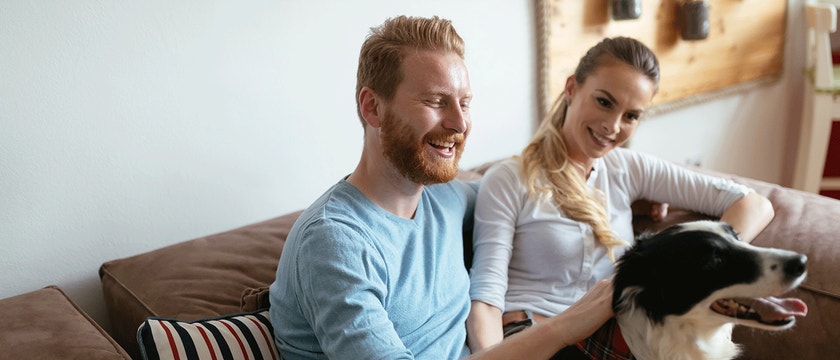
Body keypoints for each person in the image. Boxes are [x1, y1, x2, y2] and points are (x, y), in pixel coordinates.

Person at [269, 15, 625, 360]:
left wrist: (637, 203)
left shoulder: (446, 197)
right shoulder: (334, 241)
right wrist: (563, 327)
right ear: (372, 107)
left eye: (465, 103)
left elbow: (526, 192)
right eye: (436, 102)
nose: (459, 123)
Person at [466, 36, 775, 358]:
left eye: (631, 116)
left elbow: (753, 204)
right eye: (604, 102)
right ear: (572, 88)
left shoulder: (628, 169)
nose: (612, 126)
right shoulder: (509, 178)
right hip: (535, 334)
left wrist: (708, 260)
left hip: (614, 335)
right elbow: (487, 299)